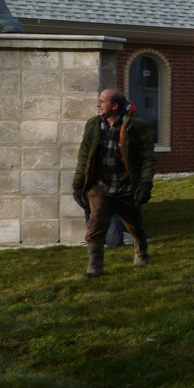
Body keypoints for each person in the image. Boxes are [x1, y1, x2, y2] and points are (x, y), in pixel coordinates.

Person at [72, 88, 156, 279]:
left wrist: (145, 185)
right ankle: (95, 267)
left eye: (102, 101)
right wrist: (78, 184)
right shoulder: (93, 125)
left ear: (115, 106)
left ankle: (141, 252)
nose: (97, 104)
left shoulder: (136, 127)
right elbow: (84, 156)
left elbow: (148, 159)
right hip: (100, 185)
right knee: (95, 226)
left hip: (126, 186)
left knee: (135, 226)